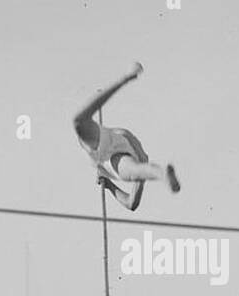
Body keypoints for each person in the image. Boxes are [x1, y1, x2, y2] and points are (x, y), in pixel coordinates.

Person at [71, 63, 181, 212]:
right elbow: (132, 204)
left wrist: (110, 185)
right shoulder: (139, 163)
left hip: (111, 145)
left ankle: (124, 79)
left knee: (79, 121)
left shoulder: (136, 162)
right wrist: (109, 185)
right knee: (138, 170)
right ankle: (162, 174)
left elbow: (131, 204)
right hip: (117, 150)